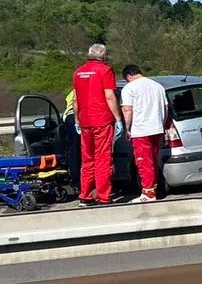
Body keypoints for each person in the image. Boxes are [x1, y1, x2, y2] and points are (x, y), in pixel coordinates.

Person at [72, 44, 123, 206]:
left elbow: (75, 99)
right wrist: (118, 118)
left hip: (85, 120)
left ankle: (85, 195)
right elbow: (109, 96)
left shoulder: (78, 72)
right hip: (101, 120)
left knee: (87, 159)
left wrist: (77, 120)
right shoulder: (105, 70)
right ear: (103, 55)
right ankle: (103, 196)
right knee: (103, 158)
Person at [120, 64, 169, 203]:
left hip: (141, 129)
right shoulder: (158, 86)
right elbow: (165, 108)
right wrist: (162, 123)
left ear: (128, 76)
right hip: (157, 128)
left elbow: (127, 110)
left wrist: (127, 129)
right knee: (153, 161)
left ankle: (148, 193)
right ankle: (154, 190)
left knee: (143, 162)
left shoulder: (129, 88)